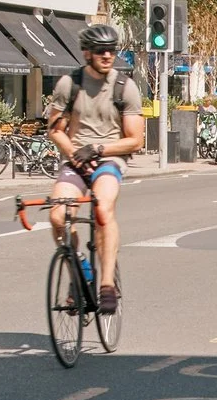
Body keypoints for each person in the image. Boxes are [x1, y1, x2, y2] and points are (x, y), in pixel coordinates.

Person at [46, 23, 147, 316]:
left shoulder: (124, 87)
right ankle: (81, 267)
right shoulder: (69, 84)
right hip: (76, 160)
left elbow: (135, 140)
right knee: (58, 214)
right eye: (101, 51)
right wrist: (73, 152)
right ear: (86, 53)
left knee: (103, 209)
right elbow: (55, 129)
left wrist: (100, 149)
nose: (108, 56)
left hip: (109, 160)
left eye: (112, 50)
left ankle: (106, 284)